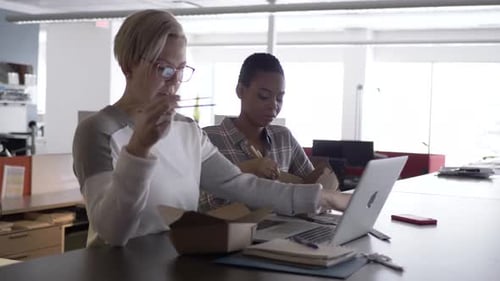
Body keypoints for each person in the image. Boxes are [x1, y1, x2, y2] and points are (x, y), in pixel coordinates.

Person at [73, 9, 348, 247]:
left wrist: (324, 198)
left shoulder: (188, 131)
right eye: (163, 68)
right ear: (127, 65)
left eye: (181, 70)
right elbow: (113, 233)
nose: (174, 82)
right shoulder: (97, 131)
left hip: (175, 264)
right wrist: (139, 149)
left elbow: (242, 186)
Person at [200, 53, 342, 211]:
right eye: (264, 96)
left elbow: (309, 187)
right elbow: (199, 203)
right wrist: (246, 169)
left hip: (284, 233)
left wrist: (324, 180)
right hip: (230, 233)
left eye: (279, 98)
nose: (273, 105)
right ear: (240, 90)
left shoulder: (283, 138)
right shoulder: (207, 140)